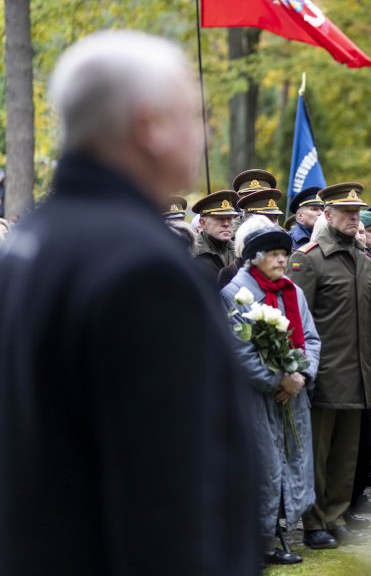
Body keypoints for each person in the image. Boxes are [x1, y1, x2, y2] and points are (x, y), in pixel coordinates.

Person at [0, 30, 258, 574]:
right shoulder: (144, 269)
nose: (203, 132)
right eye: (193, 115)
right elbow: (171, 499)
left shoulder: (30, 244)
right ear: (149, 126)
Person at [221, 218, 320, 565]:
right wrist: (277, 380)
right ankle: (253, 543)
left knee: (287, 464)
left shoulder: (292, 291)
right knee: (259, 467)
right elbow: (237, 351)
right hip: (254, 400)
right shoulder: (237, 293)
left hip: (292, 399)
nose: (282, 261)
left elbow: (310, 338)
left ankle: (273, 538)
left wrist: (302, 376)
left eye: (284, 254)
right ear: (255, 258)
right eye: (274, 254)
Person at [287, 183, 371, 548]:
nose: (355, 219)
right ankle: (314, 523)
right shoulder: (307, 259)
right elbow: (295, 322)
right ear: (327, 215)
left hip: (358, 374)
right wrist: (303, 369)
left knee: (347, 456)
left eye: (357, 213)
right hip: (322, 374)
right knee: (317, 456)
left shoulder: (363, 259)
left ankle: (337, 515)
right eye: (346, 213)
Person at [192, 189, 240, 273]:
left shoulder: (239, 251)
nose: (226, 224)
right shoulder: (191, 253)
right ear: (203, 223)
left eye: (229, 218)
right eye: (220, 218)